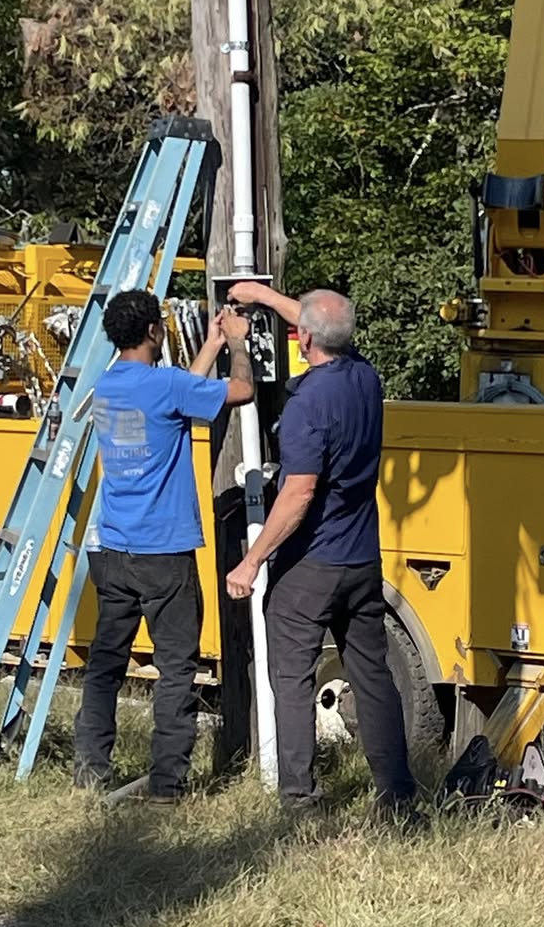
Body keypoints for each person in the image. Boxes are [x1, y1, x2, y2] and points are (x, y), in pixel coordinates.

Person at [224, 281, 417, 816]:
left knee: (292, 679)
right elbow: (323, 325)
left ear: (304, 339)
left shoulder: (308, 402)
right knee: (372, 676)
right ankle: (397, 795)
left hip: (310, 565)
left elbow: (299, 493)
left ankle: (300, 800)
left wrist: (251, 561)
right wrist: (264, 297)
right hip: (361, 560)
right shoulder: (364, 377)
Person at [74, 288, 255, 800]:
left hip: (114, 549)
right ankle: (166, 784)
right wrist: (237, 344)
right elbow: (241, 391)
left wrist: (211, 344)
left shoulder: (108, 385)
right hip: (164, 553)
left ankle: (90, 771)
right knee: (176, 669)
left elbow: (180, 395)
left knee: (106, 665)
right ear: (154, 330)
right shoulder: (165, 385)